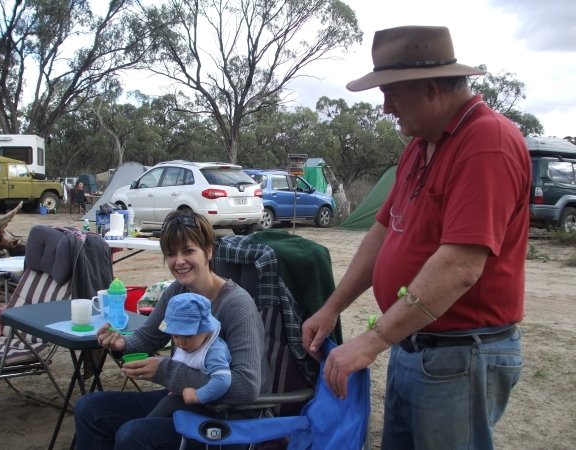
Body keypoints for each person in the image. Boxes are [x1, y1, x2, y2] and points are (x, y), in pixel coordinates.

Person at [302, 25, 530, 450]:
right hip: (414, 345)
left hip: (460, 356)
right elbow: (383, 232)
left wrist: (374, 340)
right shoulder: (420, 144)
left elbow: (460, 266)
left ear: (430, 89)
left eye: (391, 93)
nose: (386, 107)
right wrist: (332, 308)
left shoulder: (487, 143)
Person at [74, 211, 270, 450]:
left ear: (209, 251)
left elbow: (246, 388)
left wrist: (166, 371)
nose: (179, 261)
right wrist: (122, 344)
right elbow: (148, 337)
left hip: (230, 418)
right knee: (90, 408)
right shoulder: (178, 292)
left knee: (133, 435)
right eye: (171, 254)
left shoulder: (236, 305)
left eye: (188, 251)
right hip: (183, 400)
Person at [146, 292, 232, 417]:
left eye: (188, 335)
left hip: (213, 407)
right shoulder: (189, 344)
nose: (180, 343)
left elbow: (222, 380)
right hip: (185, 397)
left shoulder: (214, 351)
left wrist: (198, 395)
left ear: (206, 328)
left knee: (163, 408)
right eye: (175, 336)